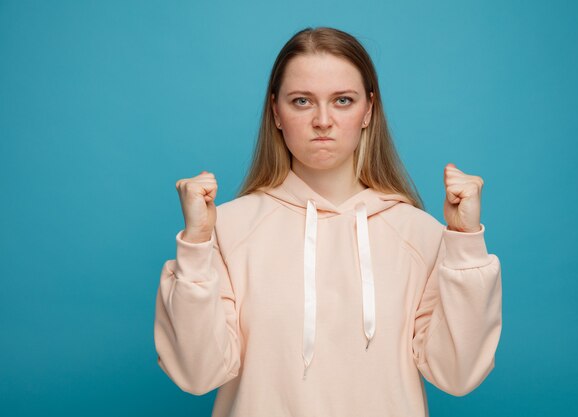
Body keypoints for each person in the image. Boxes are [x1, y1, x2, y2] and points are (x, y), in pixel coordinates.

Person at [154, 26, 502, 417]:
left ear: (368, 110)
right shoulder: (228, 229)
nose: (323, 120)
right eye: (302, 101)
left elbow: (458, 375)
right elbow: (196, 374)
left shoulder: (420, 234)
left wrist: (466, 242)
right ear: (276, 112)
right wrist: (197, 246)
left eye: (342, 100)